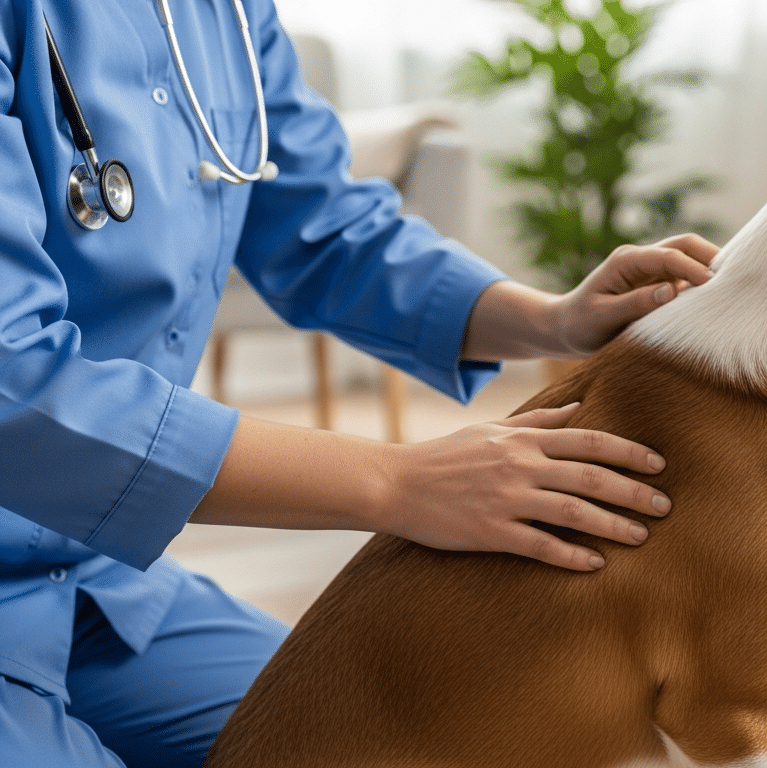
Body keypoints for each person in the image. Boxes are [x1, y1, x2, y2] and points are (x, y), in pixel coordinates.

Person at [0, 1, 718, 765]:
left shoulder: (231, 14)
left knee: (404, 744)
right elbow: (13, 383)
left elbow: (325, 227)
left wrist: (553, 320)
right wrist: (399, 482)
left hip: (101, 580)